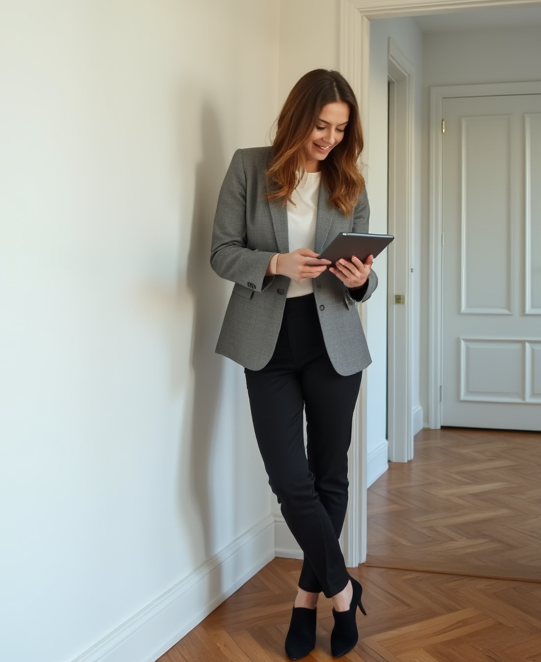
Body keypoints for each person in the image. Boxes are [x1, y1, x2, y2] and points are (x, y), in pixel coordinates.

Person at [210, 69, 375, 659]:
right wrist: (277, 262)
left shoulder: (349, 180)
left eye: (340, 129)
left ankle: (307, 600)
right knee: (289, 479)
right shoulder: (250, 166)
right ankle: (343, 589)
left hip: (334, 343)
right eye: (321, 125)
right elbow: (221, 253)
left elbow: (366, 271)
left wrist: (361, 279)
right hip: (269, 342)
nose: (329, 138)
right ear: (297, 117)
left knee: (330, 476)